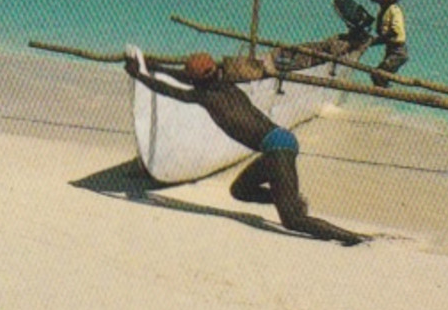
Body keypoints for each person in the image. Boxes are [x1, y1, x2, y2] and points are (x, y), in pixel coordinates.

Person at [123, 51, 369, 246]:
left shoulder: (205, 97)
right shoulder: (226, 85)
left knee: (293, 221)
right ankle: (290, 199)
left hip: (276, 148)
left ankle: (353, 239)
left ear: (197, 81)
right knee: (240, 190)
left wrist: (141, 75)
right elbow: (187, 79)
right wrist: (155, 67)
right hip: (279, 140)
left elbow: (171, 90)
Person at [368, 0, 408, 87]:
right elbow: (381, 32)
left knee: (379, 73)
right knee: (377, 75)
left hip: (398, 50)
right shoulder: (382, 12)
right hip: (390, 48)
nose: (381, 3)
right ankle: (382, 88)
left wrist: (376, 40)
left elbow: (395, 31)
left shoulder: (394, 10)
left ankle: (385, 87)